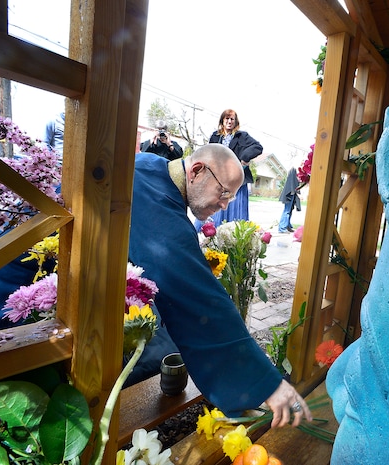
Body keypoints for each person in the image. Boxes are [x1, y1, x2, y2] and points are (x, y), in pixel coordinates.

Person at [129, 144, 312, 425]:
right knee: (153, 352)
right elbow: (200, 301)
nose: (225, 205)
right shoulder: (161, 214)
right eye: (224, 192)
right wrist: (265, 383)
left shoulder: (147, 165)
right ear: (197, 171)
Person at [194, 109, 262, 230]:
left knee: (236, 213)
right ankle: (211, 235)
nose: (229, 121)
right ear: (222, 120)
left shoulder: (242, 136)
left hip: (236, 180)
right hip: (219, 180)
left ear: (236, 122)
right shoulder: (215, 136)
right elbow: (209, 154)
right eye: (227, 119)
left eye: (232, 119)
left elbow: (258, 147)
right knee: (215, 209)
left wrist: (244, 158)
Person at [278, 167, 302, 233]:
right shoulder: (293, 170)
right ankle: (282, 228)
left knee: (290, 210)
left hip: (292, 193)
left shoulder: (295, 171)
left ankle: (287, 225)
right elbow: (293, 183)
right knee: (287, 211)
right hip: (289, 193)